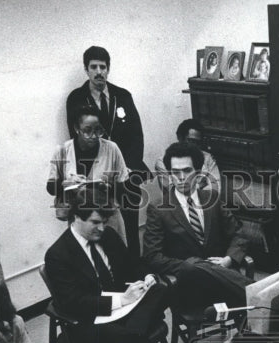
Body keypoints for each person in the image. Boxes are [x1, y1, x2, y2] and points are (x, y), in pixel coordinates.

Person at [43, 202, 168, 343]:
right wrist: (121, 301)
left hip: (125, 311)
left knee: (161, 289)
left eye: (104, 222)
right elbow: (73, 303)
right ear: (76, 217)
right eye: (95, 222)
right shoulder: (58, 254)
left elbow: (132, 264)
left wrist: (147, 276)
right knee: (136, 341)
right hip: (90, 321)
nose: (101, 228)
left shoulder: (107, 235)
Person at [143, 142, 251, 308]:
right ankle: (256, 291)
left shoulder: (212, 198)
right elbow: (153, 256)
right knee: (194, 264)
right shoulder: (158, 208)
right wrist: (195, 267)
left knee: (255, 312)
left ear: (199, 173)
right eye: (175, 172)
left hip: (223, 279)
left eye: (187, 171)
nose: (181, 177)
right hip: (189, 287)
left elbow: (239, 234)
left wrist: (228, 260)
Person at [65, 46, 148, 258]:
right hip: (96, 178)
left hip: (126, 173)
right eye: (94, 67)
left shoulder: (123, 96)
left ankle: (135, 271)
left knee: (130, 228)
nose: (99, 71)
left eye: (103, 67)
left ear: (108, 69)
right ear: (86, 69)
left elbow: (136, 136)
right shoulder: (76, 99)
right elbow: (78, 140)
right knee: (102, 229)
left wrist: (126, 166)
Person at [47, 106, 129, 244]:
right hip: (79, 221)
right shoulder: (63, 151)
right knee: (85, 260)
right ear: (76, 128)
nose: (93, 136)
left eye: (98, 130)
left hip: (108, 219)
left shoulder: (111, 148)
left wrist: (107, 188)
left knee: (115, 258)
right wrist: (65, 184)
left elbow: (124, 186)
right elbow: (50, 187)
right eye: (87, 131)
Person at [153, 118, 221, 193]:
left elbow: (216, 189)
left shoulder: (207, 158)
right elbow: (174, 193)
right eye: (191, 141)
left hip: (206, 203)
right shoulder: (162, 162)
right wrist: (201, 185)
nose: (194, 146)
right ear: (180, 138)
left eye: (198, 142)